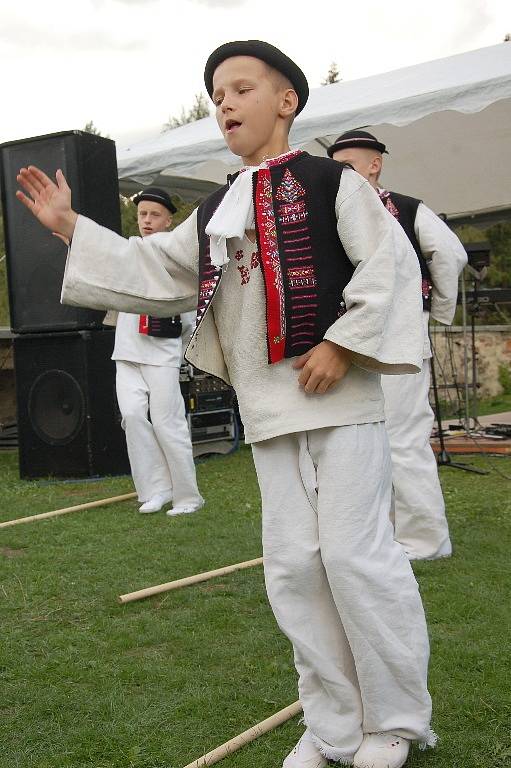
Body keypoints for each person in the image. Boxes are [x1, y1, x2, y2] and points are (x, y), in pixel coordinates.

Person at [17, 41, 437, 768]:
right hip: (271, 409)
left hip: (342, 399)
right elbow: (157, 269)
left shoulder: (334, 182)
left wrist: (342, 343)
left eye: (241, 88)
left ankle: (394, 721)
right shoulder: (217, 207)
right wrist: (70, 229)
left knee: (356, 558)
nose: (225, 104)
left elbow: (389, 266)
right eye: (216, 96)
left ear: (286, 101)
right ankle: (333, 725)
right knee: (294, 567)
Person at [328, 130, 468, 561]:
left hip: (400, 334)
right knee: (368, 436)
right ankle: (386, 531)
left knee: (404, 436)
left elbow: (450, 253)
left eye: (349, 165)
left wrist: (435, 313)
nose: (342, 175)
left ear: (376, 165)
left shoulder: (407, 208)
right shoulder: (336, 214)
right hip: (353, 337)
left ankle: (427, 540)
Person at [105, 187, 203, 516]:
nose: (146, 220)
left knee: (167, 423)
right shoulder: (128, 251)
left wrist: (180, 342)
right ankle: (155, 489)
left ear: (168, 221)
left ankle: (188, 496)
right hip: (126, 349)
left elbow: (189, 306)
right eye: (142, 214)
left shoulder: (177, 255)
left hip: (161, 351)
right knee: (133, 417)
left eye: (154, 215)